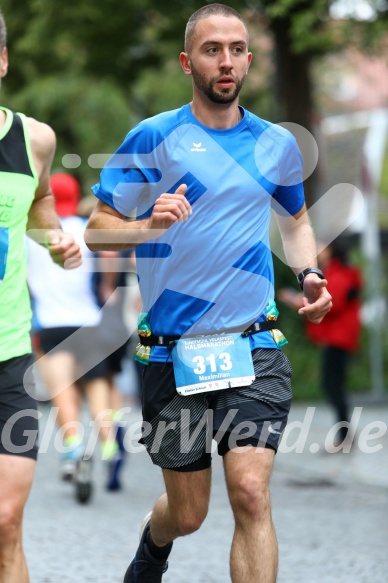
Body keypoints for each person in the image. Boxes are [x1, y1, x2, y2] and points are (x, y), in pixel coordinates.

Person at [85, 4, 332, 583]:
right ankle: (153, 549)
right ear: (186, 61)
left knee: (250, 492)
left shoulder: (276, 144)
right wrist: (148, 226)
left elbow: (294, 222)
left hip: (253, 340)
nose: (227, 61)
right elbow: (98, 229)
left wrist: (310, 274)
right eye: (212, 49)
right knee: (189, 512)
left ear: (249, 58)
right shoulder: (155, 137)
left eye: (237, 49)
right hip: (173, 350)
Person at [0, 12, 81, 583]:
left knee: (5, 520)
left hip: (9, 354)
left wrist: (55, 242)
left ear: (2, 61)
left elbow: (41, 203)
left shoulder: (35, 138)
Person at [27, 172, 123, 500]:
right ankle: (109, 445)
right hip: (89, 320)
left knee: (63, 391)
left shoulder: (33, 234)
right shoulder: (85, 230)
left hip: (51, 324)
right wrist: (108, 287)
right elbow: (109, 256)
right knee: (97, 386)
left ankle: (75, 447)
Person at [279, 238, 363, 445]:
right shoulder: (334, 271)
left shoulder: (339, 273)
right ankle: (345, 434)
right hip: (335, 338)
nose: (317, 250)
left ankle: (345, 436)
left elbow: (332, 303)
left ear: (332, 249)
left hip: (339, 338)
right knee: (333, 385)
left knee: (333, 385)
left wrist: (297, 301)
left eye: (321, 246)